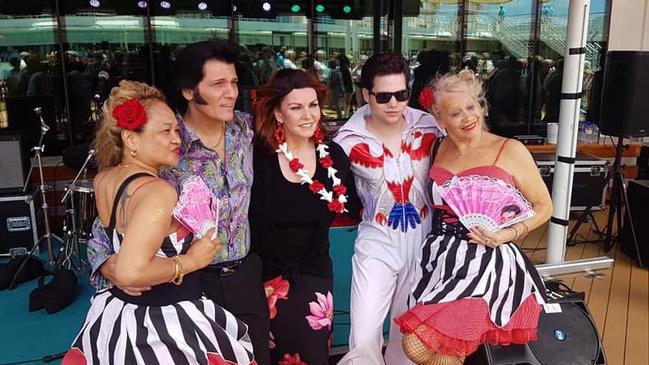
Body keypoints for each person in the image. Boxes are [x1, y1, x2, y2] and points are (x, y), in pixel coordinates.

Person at [86, 39, 271, 365]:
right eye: (218, 84)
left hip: (244, 275)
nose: (231, 92)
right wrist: (111, 267)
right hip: (189, 285)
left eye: (234, 82)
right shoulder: (161, 144)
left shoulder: (245, 129)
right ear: (188, 91)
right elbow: (108, 223)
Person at [396, 70, 553, 365]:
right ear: (440, 121)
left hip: (487, 260)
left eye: (472, 106)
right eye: (455, 113)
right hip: (440, 259)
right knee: (438, 350)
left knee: (417, 346)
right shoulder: (436, 148)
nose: (468, 117)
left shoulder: (509, 150)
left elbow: (544, 206)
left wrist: (507, 233)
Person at [334, 53, 444, 365]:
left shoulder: (430, 126)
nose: (394, 103)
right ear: (366, 94)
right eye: (383, 97)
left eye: (401, 94)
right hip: (377, 239)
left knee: (409, 333)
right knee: (364, 331)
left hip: (424, 240)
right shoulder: (345, 140)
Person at [250, 69, 361, 364]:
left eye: (313, 105)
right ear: (277, 113)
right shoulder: (258, 158)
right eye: (296, 107)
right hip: (265, 281)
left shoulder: (333, 156)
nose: (308, 115)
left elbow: (352, 205)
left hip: (315, 277)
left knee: (312, 356)